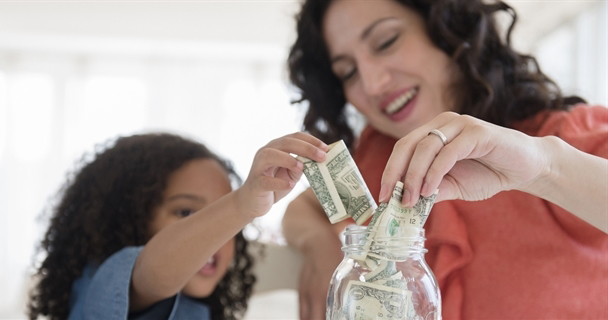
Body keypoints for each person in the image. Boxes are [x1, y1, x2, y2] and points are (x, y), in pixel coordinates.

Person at [282, 0, 608, 319]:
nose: (372, 83)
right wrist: (322, 246)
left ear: (447, 29)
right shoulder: (379, 153)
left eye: (386, 42)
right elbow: (304, 207)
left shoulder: (569, 136)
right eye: (348, 72)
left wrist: (543, 169)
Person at [28, 132, 328, 320]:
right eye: (186, 212)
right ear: (128, 219)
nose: (218, 232)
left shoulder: (204, 310)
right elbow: (152, 273)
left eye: (222, 216)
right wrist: (239, 206)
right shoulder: (103, 283)